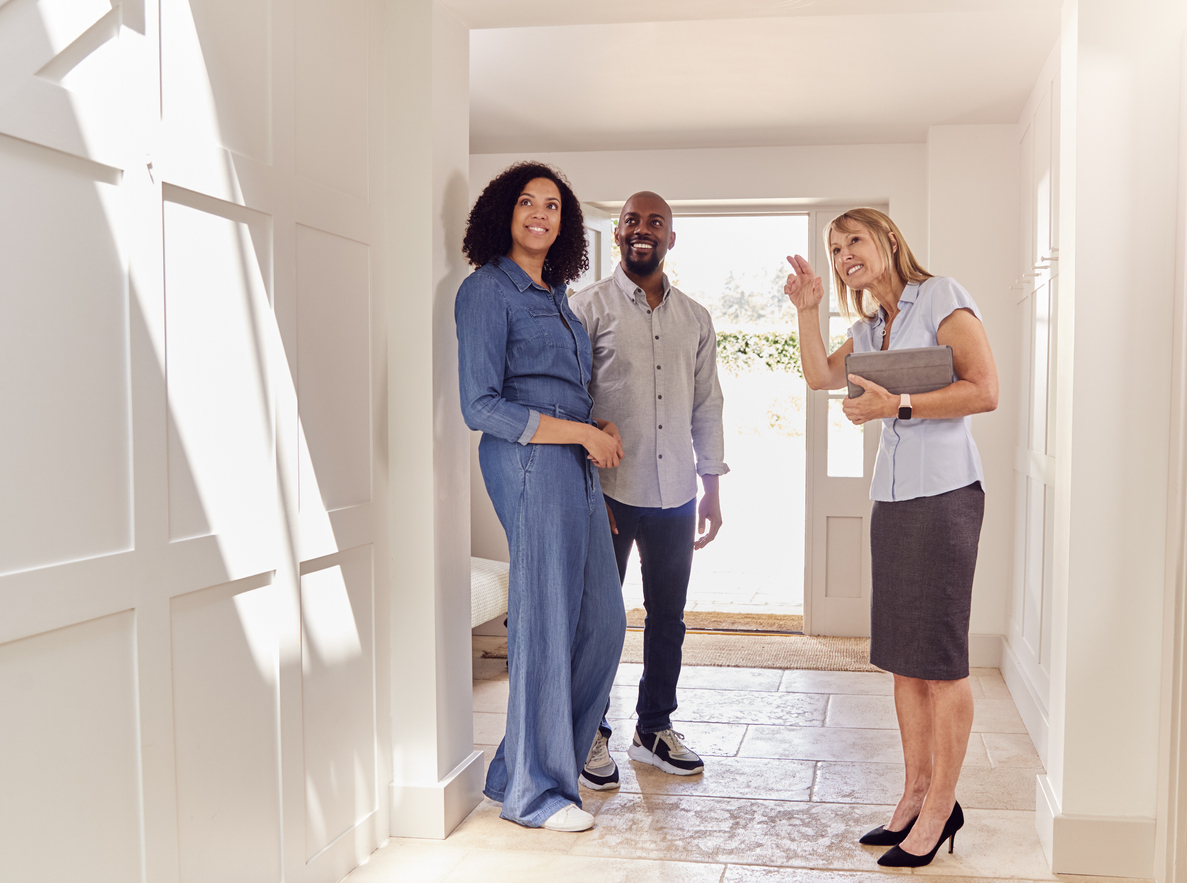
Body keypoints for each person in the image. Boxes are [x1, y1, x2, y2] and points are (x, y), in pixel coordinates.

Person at [783, 208, 998, 868]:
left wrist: (893, 406)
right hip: (894, 500)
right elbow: (820, 375)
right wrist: (806, 308)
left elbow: (983, 390)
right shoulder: (868, 328)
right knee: (905, 658)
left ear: (887, 242)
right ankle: (911, 796)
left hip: (944, 495)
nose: (844, 251)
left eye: (854, 239)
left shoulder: (941, 298)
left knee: (940, 659)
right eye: (833, 245)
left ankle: (941, 805)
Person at [455, 162, 627, 833]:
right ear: (503, 212)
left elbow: (569, 388)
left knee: (604, 622)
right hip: (526, 461)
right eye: (527, 202)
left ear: (565, 223)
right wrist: (580, 431)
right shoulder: (484, 291)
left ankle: (513, 770)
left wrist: (596, 428)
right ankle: (537, 793)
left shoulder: (556, 293)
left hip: (574, 464)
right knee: (543, 621)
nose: (539, 214)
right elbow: (481, 405)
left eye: (552, 205)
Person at [569, 191, 728, 789]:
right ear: (616, 235)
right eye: (632, 221)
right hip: (607, 494)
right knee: (599, 620)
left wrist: (711, 488)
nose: (643, 230)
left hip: (676, 494)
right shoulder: (586, 309)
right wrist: (587, 487)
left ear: (670, 237)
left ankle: (653, 729)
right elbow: (570, 403)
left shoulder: (696, 319)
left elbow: (707, 406)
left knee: (669, 618)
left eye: (654, 222)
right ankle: (591, 733)